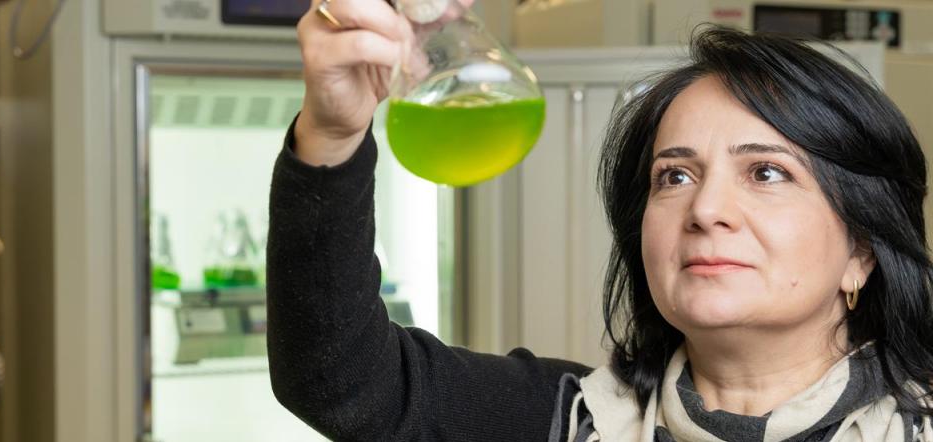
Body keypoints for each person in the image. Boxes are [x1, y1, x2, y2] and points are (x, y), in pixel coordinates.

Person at [266, 1, 933, 440]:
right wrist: (330, 133)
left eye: (765, 172)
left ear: (862, 251)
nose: (704, 210)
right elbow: (340, 381)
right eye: (675, 175)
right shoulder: (560, 419)